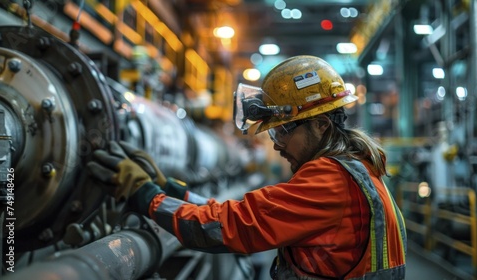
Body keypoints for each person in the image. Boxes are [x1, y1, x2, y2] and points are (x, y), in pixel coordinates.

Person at [88, 55, 407, 280]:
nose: (277, 145)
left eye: (282, 131)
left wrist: (146, 196)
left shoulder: (330, 181)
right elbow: (241, 212)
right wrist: (173, 191)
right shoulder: (356, 169)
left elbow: (226, 228)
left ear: (321, 125)